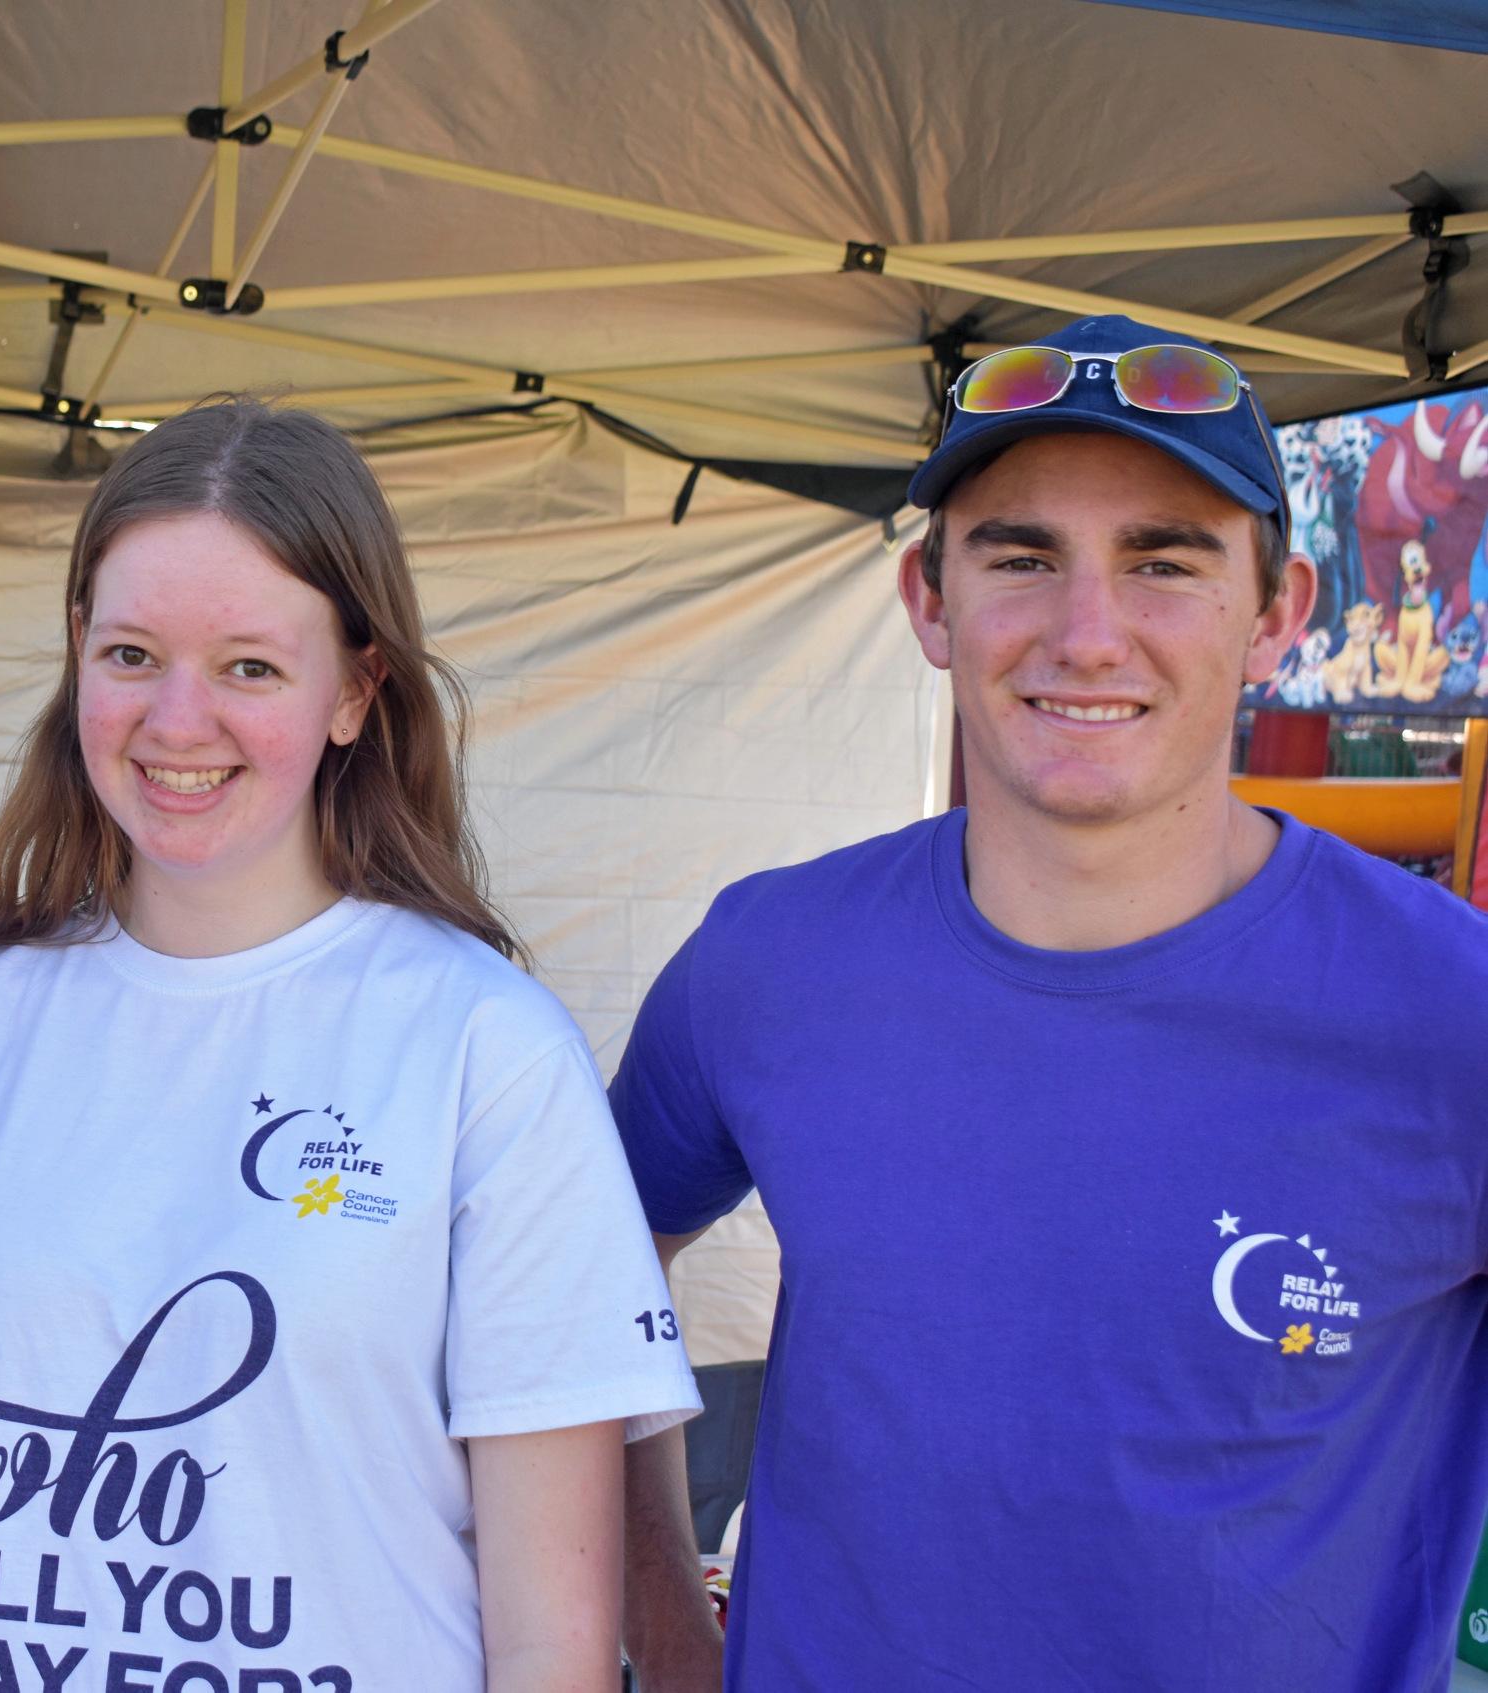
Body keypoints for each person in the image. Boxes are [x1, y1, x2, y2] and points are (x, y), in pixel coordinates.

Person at [0, 398, 711, 1693]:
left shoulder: (482, 1050)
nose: (178, 723)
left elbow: (549, 1643)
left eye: (248, 665)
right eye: (131, 654)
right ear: (75, 650)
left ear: (354, 690)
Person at [611, 315, 1488, 1689]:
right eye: (1020, 557)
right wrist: (664, 1632)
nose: (1087, 634)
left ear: (1275, 616)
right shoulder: (767, 962)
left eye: (1163, 562)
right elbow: (580, 1282)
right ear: (928, 602)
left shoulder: (1449, 1013)